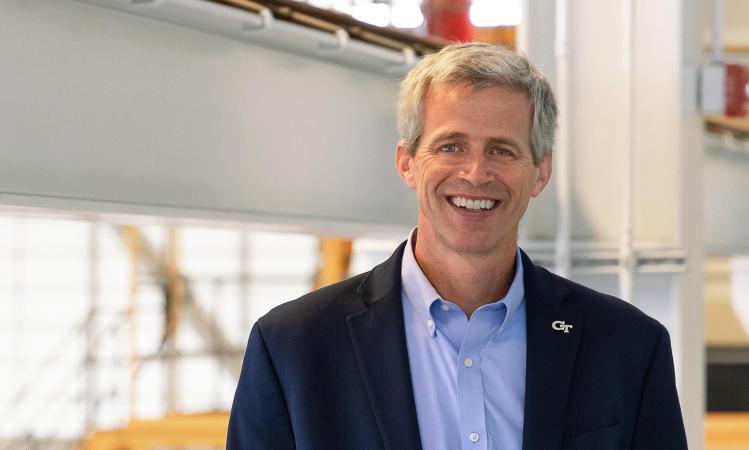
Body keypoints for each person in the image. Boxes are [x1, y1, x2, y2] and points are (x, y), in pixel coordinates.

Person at [227, 42, 688, 450]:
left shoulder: (627, 346)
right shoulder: (294, 347)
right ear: (407, 163)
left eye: (502, 150)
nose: (475, 173)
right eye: (450, 146)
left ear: (540, 173)